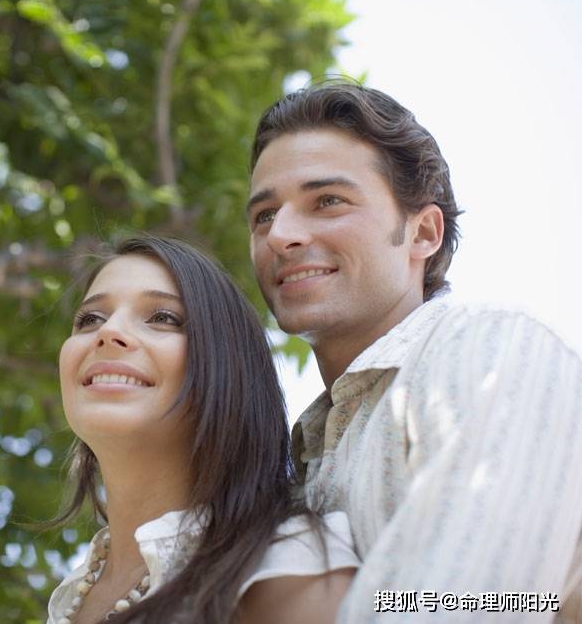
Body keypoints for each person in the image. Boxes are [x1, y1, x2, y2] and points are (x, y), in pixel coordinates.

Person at [246, 81, 582, 622]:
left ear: (423, 233)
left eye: (327, 201)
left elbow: (475, 604)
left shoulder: (488, 347)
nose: (280, 234)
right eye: (263, 215)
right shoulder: (294, 464)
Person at [45, 236, 357, 624]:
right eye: (90, 319)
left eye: (163, 318)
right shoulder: (74, 593)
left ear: (227, 369)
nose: (108, 333)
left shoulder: (285, 562)